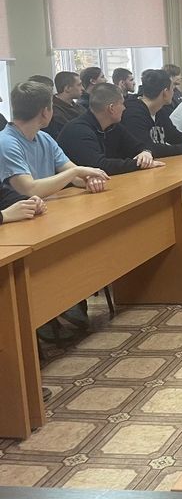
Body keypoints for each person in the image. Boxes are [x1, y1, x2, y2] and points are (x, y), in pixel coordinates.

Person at [0, 81, 109, 332]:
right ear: (45, 111)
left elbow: (73, 173)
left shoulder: (44, 138)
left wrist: (87, 179)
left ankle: (68, 301)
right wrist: (77, 173)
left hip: (47, 216)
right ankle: (48, 312)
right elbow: (29, 189)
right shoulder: (6, 142)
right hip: (20, 227)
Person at [58, 83, 164, 174]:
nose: (124, 108)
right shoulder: (78, 130)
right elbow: (99, 165)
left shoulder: (113, 126)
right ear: (111, 108)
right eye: (122, 104)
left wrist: (146, 152)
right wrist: (139, 164)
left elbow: (139, 146)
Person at [121, 68, 182, 157]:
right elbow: (147, 148)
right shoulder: (132, 113)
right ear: (165, 92)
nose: (173, 93)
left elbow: (173, 135)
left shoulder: (160, 110)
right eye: (172, 89)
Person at [44, 71, 85, 139]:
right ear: (67, 88)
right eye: (79, 85)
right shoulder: (55, 112)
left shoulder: (78, 107)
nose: (83, 88)